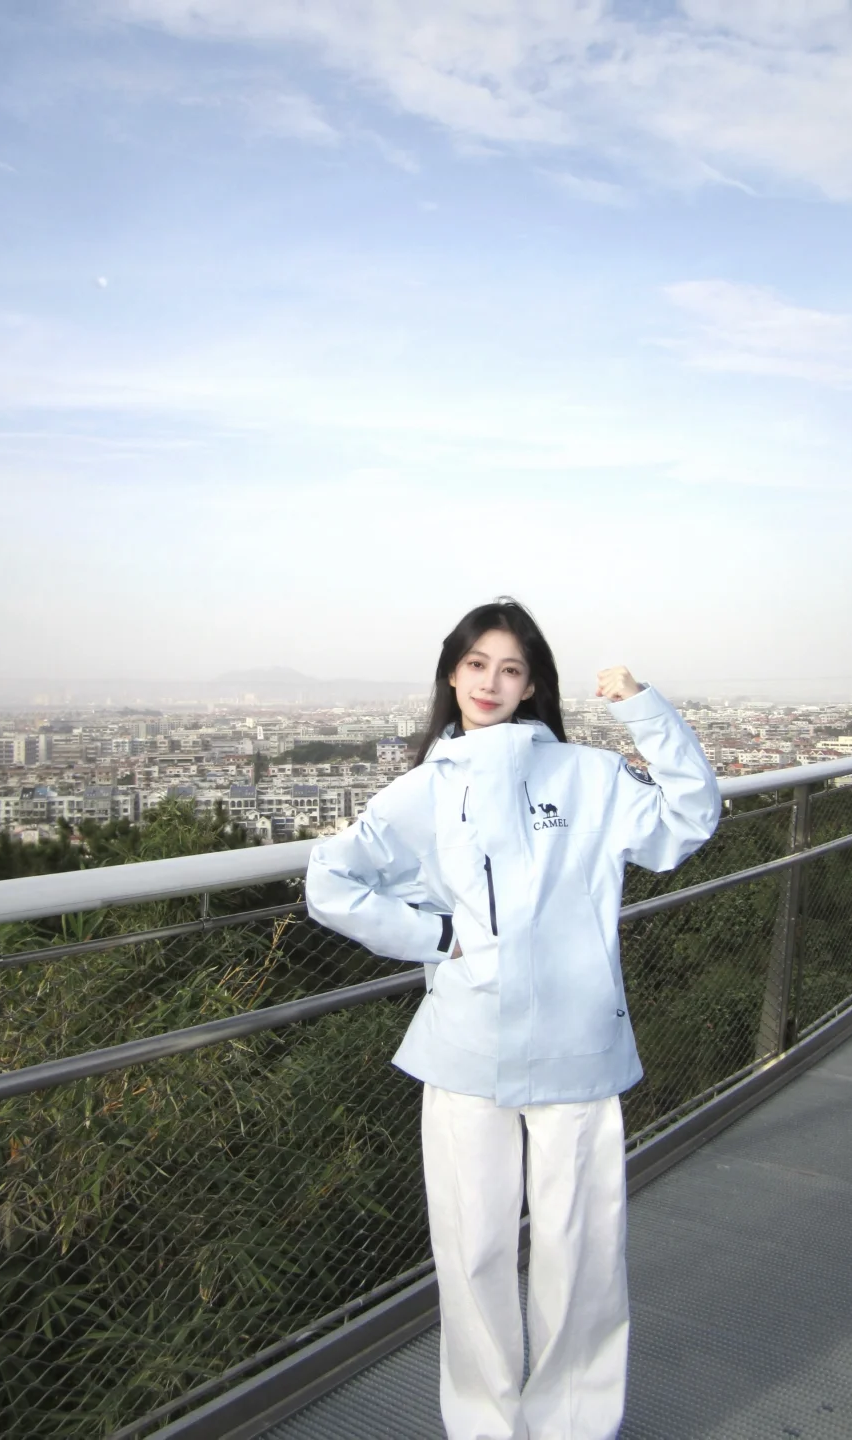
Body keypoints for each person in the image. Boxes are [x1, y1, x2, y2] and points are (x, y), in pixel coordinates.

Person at [305, 598, 721, 1440]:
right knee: (474, 1253)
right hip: (466, 1048)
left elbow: (690, 818)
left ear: (533, 686)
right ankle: (486, 1427)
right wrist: (439, 937)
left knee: (581, 1252)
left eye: (510, 669)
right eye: (476, 665)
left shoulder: (587, 776)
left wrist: (643, 707)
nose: (490, 683)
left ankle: (575, 1426)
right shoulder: (424, 789)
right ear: (452, 674)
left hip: (576, 1044)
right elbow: (329, 882)